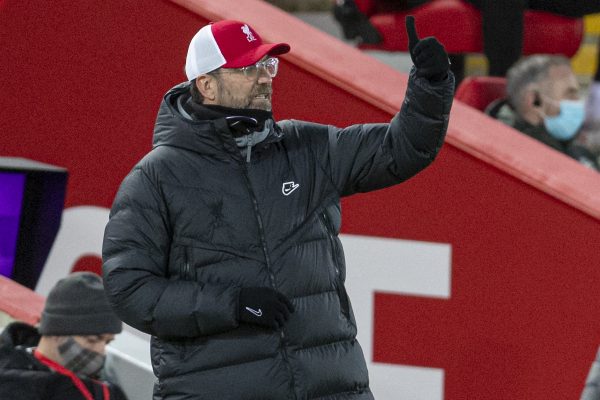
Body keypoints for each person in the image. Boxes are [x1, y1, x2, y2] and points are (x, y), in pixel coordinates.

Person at [102, 17, 454, 399]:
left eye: (267, 65)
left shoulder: (306, 146)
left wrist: (429, 88)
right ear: (206, 84)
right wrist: (232, 305)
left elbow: (398, 149)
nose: (266, 77)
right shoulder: (155, 179)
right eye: (248, 69)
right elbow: (130, 289)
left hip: (329, 387)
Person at [0, 272, 127, 400]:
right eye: (92, 340)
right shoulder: (11, 383)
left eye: (107, 342)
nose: (101, 350)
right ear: (56, 331)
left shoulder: (107, 392)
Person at [489, 54, 599, 170]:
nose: (577, 102)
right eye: (570, 94)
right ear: (535, 100)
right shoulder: (525, 160)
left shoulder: (574, 149)